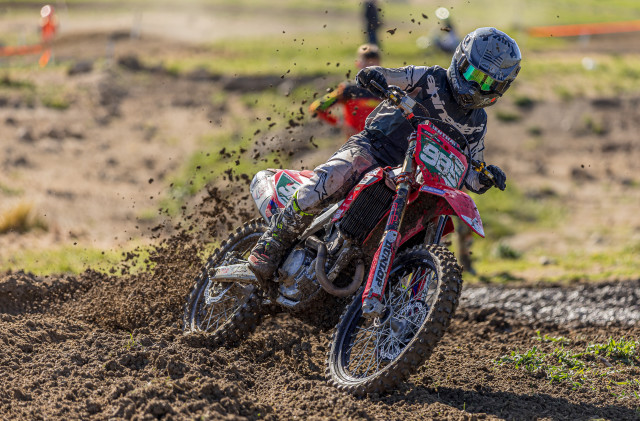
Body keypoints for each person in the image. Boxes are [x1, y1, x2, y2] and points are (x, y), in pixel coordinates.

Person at [248, 27, 522, 282]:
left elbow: (471, 169)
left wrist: (485, 177)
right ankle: (272, 242)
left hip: (417, 179)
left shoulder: (478, 122)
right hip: (375, 148)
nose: (478, 87)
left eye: (489, 83)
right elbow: (390, 75)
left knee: (428, 224)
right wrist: (374, 76)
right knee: (333, 177)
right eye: (475, 76)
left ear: (501, 87)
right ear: (460, 62)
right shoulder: (430, 77)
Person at [308, 44, 382, 138]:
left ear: (380, 66)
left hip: (380, 143)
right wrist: (342, 125)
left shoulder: (385, 91)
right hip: (354, 142)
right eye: (366, 65)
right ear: (358, 64)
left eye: (373, 65)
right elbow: (317, 107)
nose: (369, 70)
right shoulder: (348, 89)